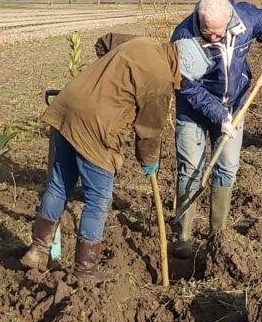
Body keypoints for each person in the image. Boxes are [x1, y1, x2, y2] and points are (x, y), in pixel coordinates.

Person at [23, 36, 182, 284]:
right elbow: (149, 130)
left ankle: (37, 251)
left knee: (59, 184)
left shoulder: (143, 42)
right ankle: (85, 270)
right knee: (98, 198)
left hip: (69, 105)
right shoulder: (161, 80)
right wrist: (148, 161)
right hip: (96, 126)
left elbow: (104, 42)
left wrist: (107, 83)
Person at [169, 0, 262, 257]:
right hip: (194, 111)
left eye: (217, 33)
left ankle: (218, 234)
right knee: (190, 168)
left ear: (229, 20)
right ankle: (184, 236)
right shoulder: (183, 37)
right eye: (206, 32)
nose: (212, 38)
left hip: (235, 106)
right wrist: (218, 116)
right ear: (198, 19)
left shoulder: (244, 17)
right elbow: (187, 87)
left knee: (228, 167)